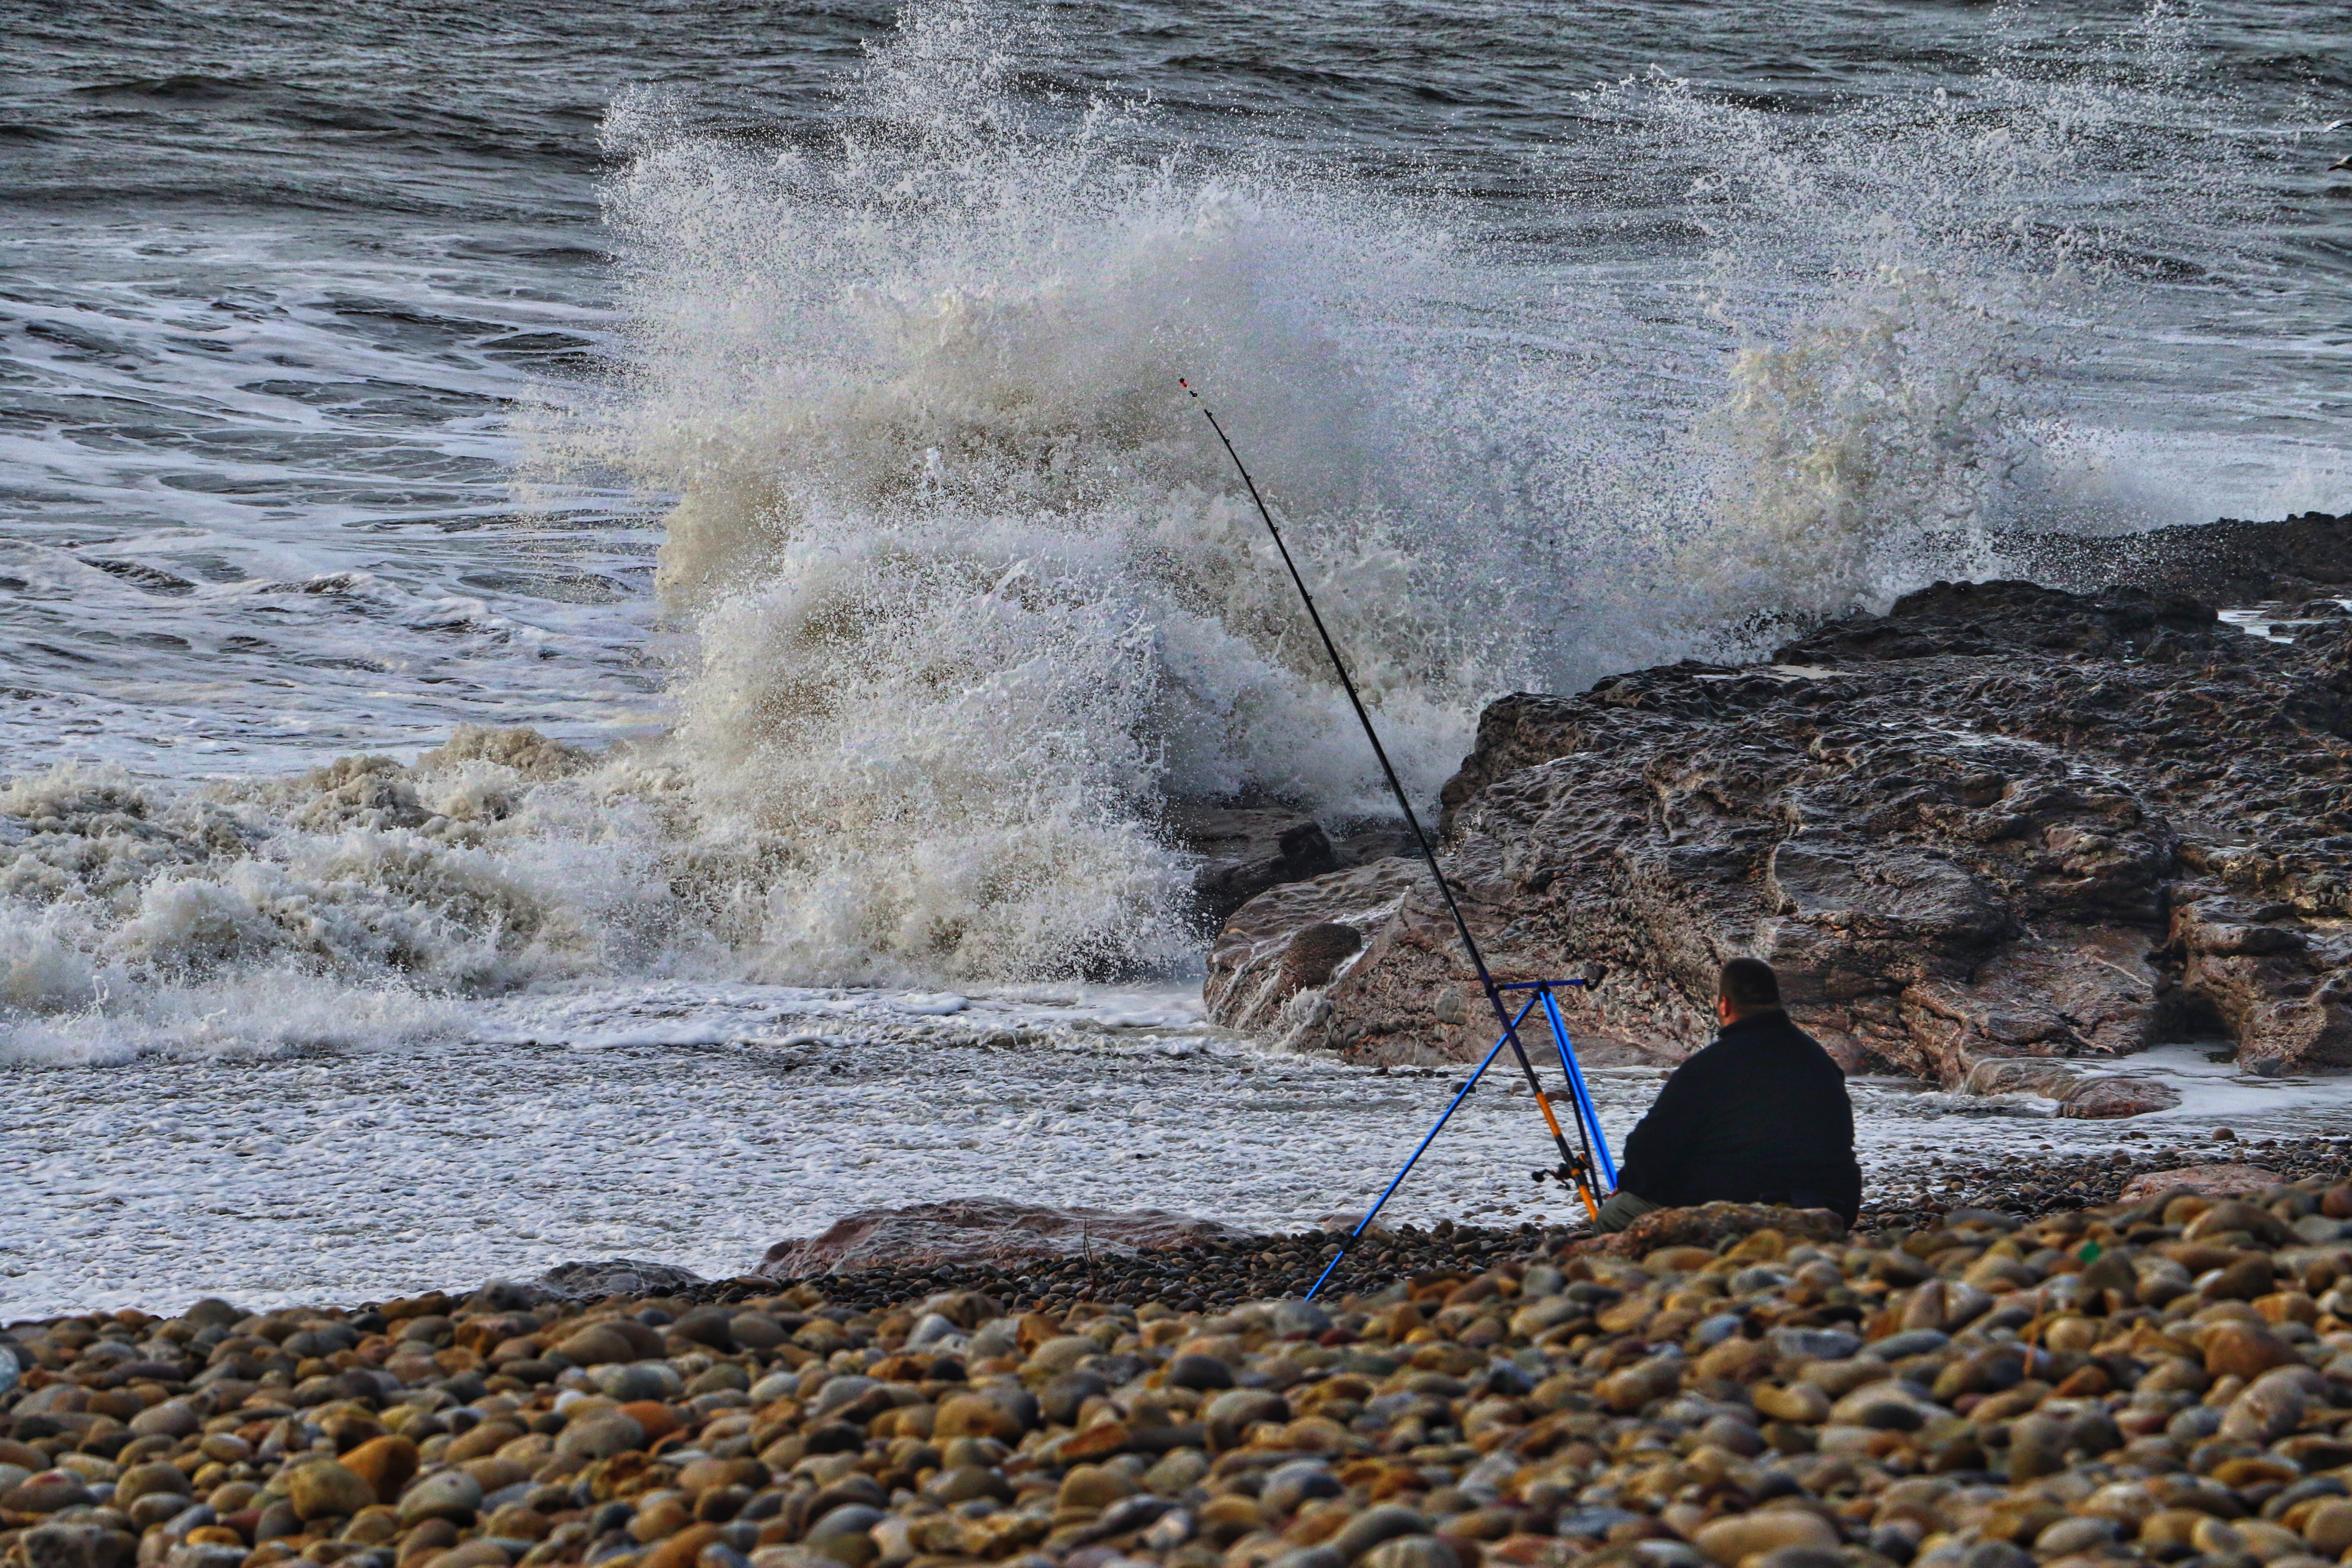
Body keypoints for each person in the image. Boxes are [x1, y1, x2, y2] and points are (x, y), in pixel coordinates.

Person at [1592, 957, 1860, 1231]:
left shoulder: (1708, 1067)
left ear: (1725, 1005)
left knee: (1615, 1213)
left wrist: (1632, 1185)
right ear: (1776, 1002)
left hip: (1749, 1212)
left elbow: (1649, 1150)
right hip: (1831, 1208)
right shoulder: (1819, 1061)